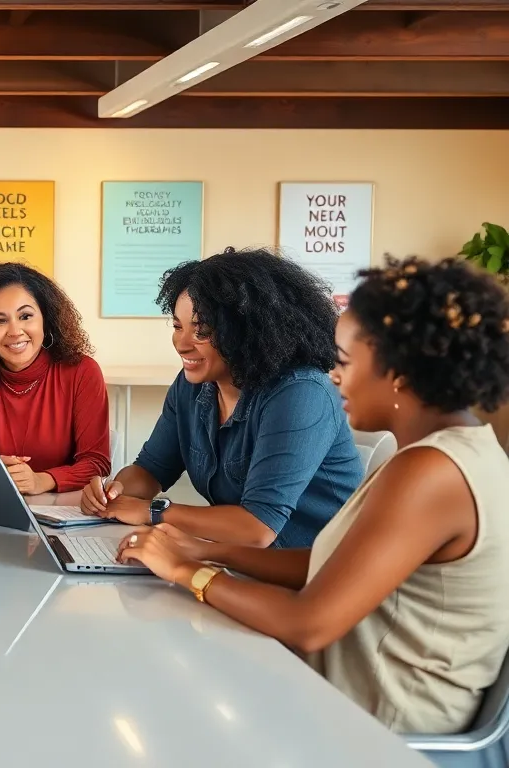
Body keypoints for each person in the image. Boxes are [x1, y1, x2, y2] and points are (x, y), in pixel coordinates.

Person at [116, 256, 509, 735]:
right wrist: (200, 549)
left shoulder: (430, 472)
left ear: (398, 368)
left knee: (158, 697)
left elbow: (310, 623)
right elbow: (328, 563)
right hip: (349, 685)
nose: (334, 375)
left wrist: (185, 571)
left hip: (378, 720)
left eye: (344, 360)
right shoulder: (454, 452)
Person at [82, 248, 362, 547]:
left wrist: (153, 512)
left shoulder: (301, 391)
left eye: (201, 331)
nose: (181, 344)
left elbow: (257, 528)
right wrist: (114, 492)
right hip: (242, 563)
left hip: (320, 572)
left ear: (247, 332)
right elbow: (151, 469)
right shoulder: (192, 385)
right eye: (178, 326)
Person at [0, 262, 110, 495]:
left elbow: (96, 463)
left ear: (46, 318)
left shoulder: (82, 371)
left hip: (62, 513)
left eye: (25, 316)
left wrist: (42, 480)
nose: (15, 331)